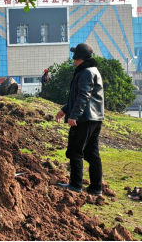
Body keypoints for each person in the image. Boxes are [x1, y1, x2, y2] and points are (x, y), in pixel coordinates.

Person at [55, 43, 104, 196]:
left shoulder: (85, 72)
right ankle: (96, 188)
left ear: (80, 58)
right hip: (95, 118)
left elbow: (83, 96)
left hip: (84, 118)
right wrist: (65, 109)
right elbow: (80, 96)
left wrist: (74, 115)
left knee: (75, 151)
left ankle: (75, 185)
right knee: (91, 153)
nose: (73, 58)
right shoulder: (93, 70)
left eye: (75, 55)